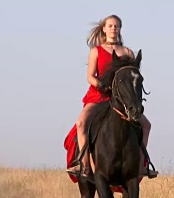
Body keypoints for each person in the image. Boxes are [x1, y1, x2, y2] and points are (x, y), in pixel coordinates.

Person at [66, 14, 157, 179]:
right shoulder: (96, 51)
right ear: (104, 29)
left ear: (120, 29)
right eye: (110, 26)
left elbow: (132, 77)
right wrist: (103, 86)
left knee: (146, 125)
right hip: (98, 96)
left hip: (121, 99)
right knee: (81, 123)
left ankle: (141, 165)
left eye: (116, 26)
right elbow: (90, 77)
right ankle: (83, 164)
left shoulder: (127, 52)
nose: (113, 29)